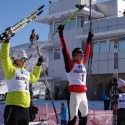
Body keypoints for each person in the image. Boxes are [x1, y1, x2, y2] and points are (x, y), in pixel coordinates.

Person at [0, 35, 44, 125]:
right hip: (13, 107)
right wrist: (6, 42)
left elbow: (35, 78)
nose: (24, 61)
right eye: (22, 59)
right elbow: (4, 58)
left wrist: (38, 65)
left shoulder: (26, 73)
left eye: (25, 59)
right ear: (16, 59)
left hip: (25, 109)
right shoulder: (11, 70)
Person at [57, 25, 93, 125]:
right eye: (80, 55)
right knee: (73, 118)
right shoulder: (70, 65)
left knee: (84, 118)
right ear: (74, 56)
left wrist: (89, 39)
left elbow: (87, 51)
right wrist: (61, 35)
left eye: (82, 55)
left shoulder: (83, 63)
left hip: (83, 94)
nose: (82, 56)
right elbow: (65, 51)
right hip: (74, 94)